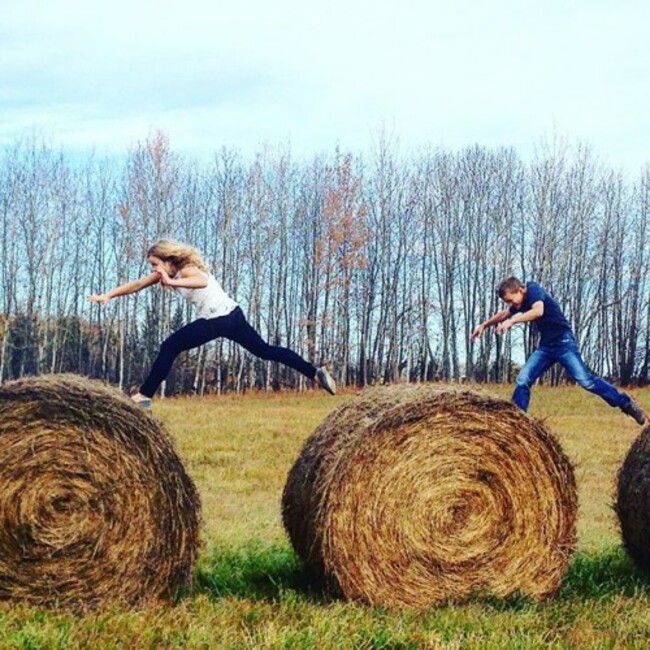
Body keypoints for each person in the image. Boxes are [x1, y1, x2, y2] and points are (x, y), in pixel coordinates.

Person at [88, 239, 336, 407]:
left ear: (167, 260)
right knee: (265, 351)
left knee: (170, 346)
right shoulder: (171, 272)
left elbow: (202, 283)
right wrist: (109, 295)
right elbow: (138, 284)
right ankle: (314, 372)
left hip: (218, 318)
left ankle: (144, 395)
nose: (154, 269)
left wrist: (172, 283)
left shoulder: (187, 270)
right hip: (233, 314)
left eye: (155, 264)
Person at [471, 276, 645, 424]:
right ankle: (518, 421)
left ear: (520, 290)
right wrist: (484, 325)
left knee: (586, 381)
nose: (511, 305)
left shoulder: (533, 290)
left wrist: (513, 321)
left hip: (564, 342)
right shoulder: (519, 303)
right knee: (523, 379)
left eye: (510, 300)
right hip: (546, 347)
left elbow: (538, 311)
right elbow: (504, 314)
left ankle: (625, 403)